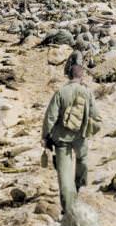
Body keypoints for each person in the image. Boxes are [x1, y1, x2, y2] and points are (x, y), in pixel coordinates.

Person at [42, 63, 101, 214]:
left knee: (64, 173)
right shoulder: (87, 92)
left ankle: (68, 206)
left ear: (69, 76)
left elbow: (50, 117)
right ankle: (80, 186)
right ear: (82, 76)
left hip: (61, 138)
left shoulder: (61, 92)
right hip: (80, 136)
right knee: (82, 160)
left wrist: (45, 137)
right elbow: (96, 116)